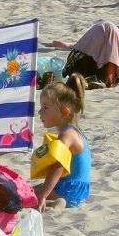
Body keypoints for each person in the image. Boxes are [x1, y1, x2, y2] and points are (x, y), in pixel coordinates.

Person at [33, 74, 91, 210]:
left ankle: (54, 202)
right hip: (77, 190)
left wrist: (43, 195)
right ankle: (54, 201)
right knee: (28, 190)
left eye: (45, 108)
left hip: (68, 190)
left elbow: (57, 167)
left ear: (64, 111)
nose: (40, 112)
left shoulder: (67, 135)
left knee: (22, 197)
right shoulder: (74, 131)